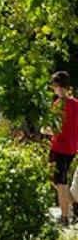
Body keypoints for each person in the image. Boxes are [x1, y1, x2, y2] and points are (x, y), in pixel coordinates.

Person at [48, 71, 78, 225]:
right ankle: (74, 204)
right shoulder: (76, 103)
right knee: (58, 180)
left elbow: (57, 130)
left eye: (55, 86)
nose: (54, 89)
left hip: (59, 148)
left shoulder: (59, 105)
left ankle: (65, 217)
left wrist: (45, 131)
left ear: (59, 86)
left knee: (60, 184)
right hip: (71, 149)